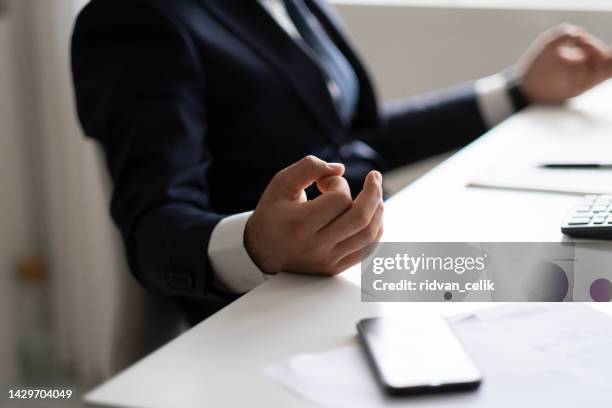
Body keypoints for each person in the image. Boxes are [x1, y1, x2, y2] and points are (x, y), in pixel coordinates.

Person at [71, 0, 612, 324]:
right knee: (581, 281)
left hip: (379, 268)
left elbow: (351, 138)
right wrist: (257, 245)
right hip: (281, 310)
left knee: (586, 277)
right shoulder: (134, 17)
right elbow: (153, 225)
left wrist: (514, 91)